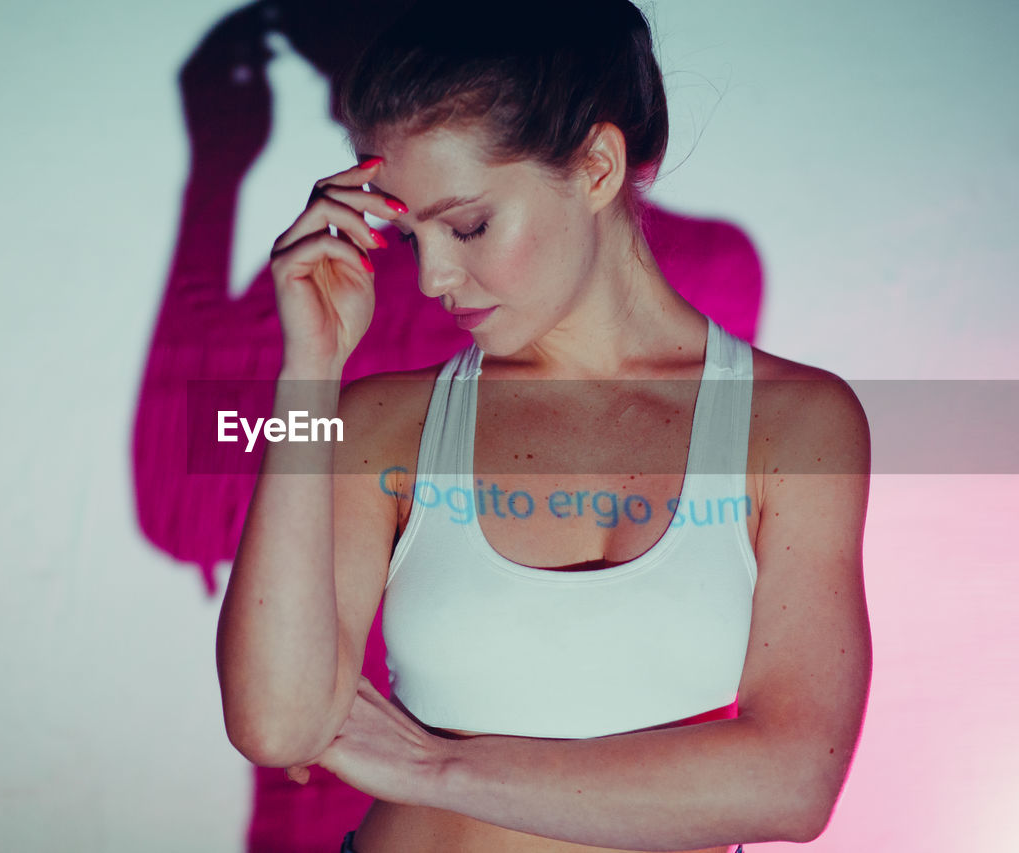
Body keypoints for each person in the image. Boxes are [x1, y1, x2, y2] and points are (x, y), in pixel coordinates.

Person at [215, 1, 871, 851]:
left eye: (469, 224)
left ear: (597, 167)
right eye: (412, 237)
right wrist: (308, 372)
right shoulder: (379, 424)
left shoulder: (795, 426)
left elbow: (793, 780)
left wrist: (435, 767)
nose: (435, 278)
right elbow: (278, 723)